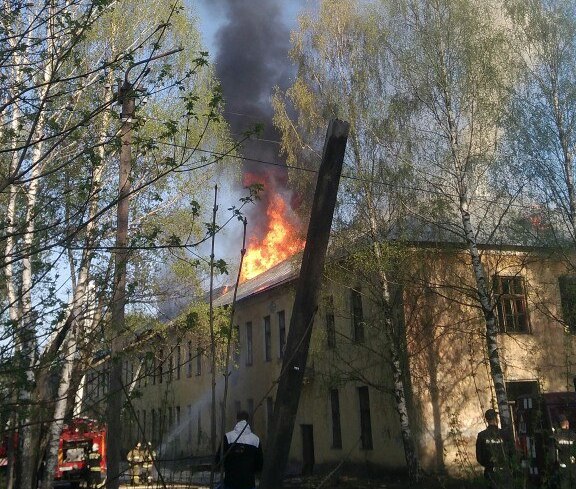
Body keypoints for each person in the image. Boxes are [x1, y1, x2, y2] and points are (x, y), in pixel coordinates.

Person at [215, 411, 263, 489]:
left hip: (230, 483)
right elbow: (260, 465)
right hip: (249, 483)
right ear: (248, 421)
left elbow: (218, 460)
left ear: (237, 420)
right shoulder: (256, 440)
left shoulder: (228, 437)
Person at [476, 408, 508, 489]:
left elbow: (479, 457)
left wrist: (488, 464)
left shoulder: (481, 435)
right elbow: (510, 452)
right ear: (496, 419)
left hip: (489, 471)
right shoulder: (504, 434)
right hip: (504, 470)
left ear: (486, 420)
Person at [551, 414, 576, 489]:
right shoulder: (573, 435)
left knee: (564, 483)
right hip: (573, 465)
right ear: (567, 423)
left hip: (562, 465)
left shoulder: (556, 436)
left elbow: (553, 452)